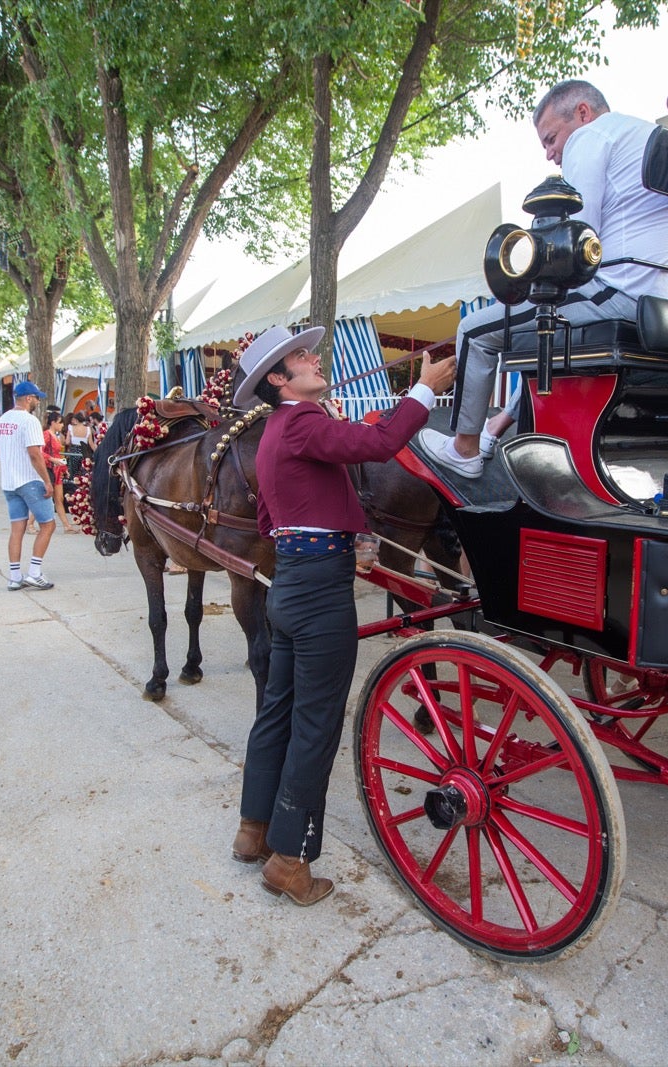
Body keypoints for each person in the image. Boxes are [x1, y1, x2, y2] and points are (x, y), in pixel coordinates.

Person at [232, 324, 457, 906]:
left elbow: (265, 521)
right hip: (318, 591)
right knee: (315, 724)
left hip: (289, 583)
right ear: (279, 381)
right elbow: (380, 446)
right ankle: (290, 861)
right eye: (300, 357)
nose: (313, 358)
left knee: (278, 712)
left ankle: (253, 830)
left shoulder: (276, 432)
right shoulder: (302, 421)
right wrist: (423, 392)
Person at [417, 79, 668, 478]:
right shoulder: (644, 135)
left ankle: (464, 450)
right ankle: (495, 426)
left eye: (551, 139)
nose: (552, 154)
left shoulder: (591, 138)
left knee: (473, 330)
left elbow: (572, 248)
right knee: (542, 330)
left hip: (627, 295)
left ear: (583, 113)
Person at [0, 380, 57, 591]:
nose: (38, 402)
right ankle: (34, 572)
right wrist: (47, 481)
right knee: (48, 524)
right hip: (29, 480)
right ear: (28, 398)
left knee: (17, 529)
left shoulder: (3, 420)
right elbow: (35, 454)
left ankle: (14, 576)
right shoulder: (29, 421)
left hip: (9, 482)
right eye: (36, 398)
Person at [43, 411, 79, 535]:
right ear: (53, 423)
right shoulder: (47, 435)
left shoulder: (55, 435)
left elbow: (58, 455)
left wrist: (64, 468)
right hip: (50, 469)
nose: (62, 425)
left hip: (57, 469)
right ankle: (30, 522)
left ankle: (66, 525)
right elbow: (41, 452)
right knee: (47, 498)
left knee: (58, 499)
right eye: (60, 423)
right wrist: (54, 461)